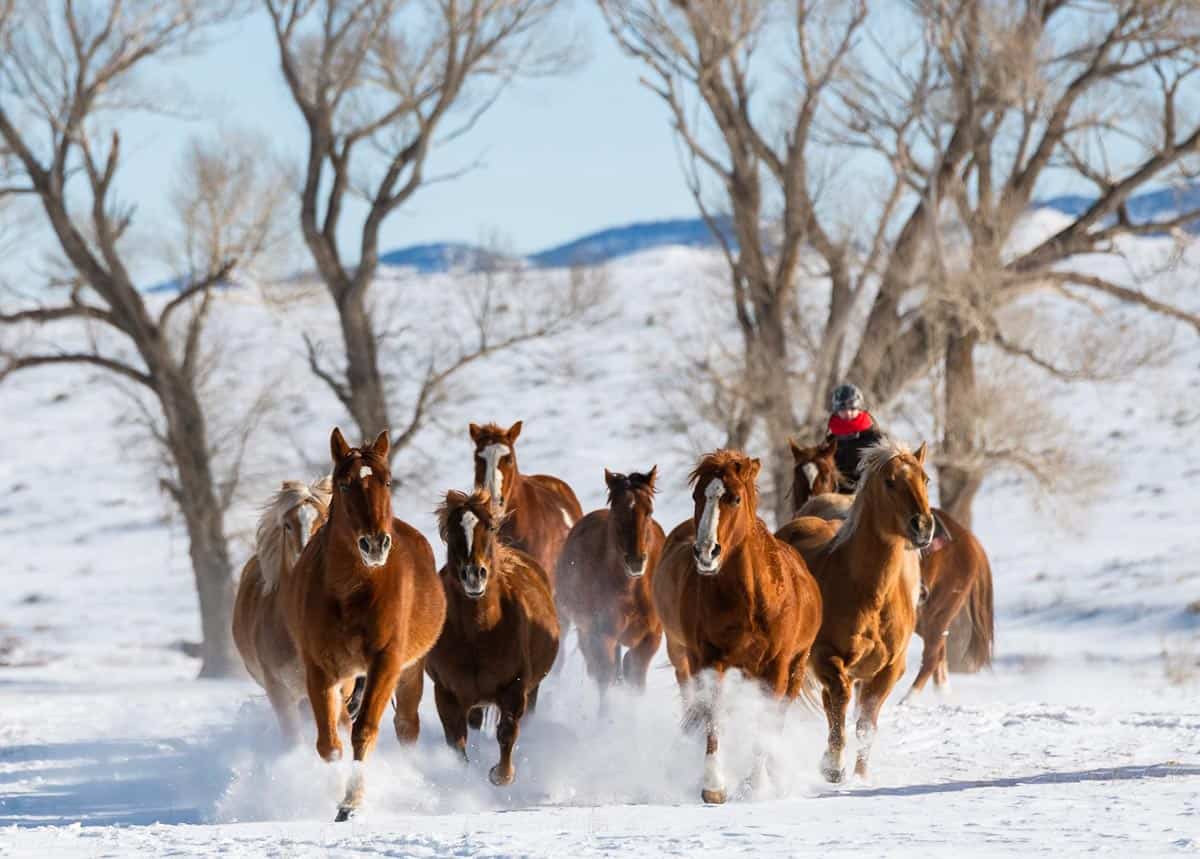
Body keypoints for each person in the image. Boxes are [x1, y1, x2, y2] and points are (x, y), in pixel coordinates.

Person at [824, 383, 885, 493]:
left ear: (859, 409)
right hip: (838, 497)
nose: (848, 413)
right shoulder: (830, 441)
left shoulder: (874, 438)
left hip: (870, 495)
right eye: (842, 409)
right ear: (836, 411)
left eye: (852, 409)